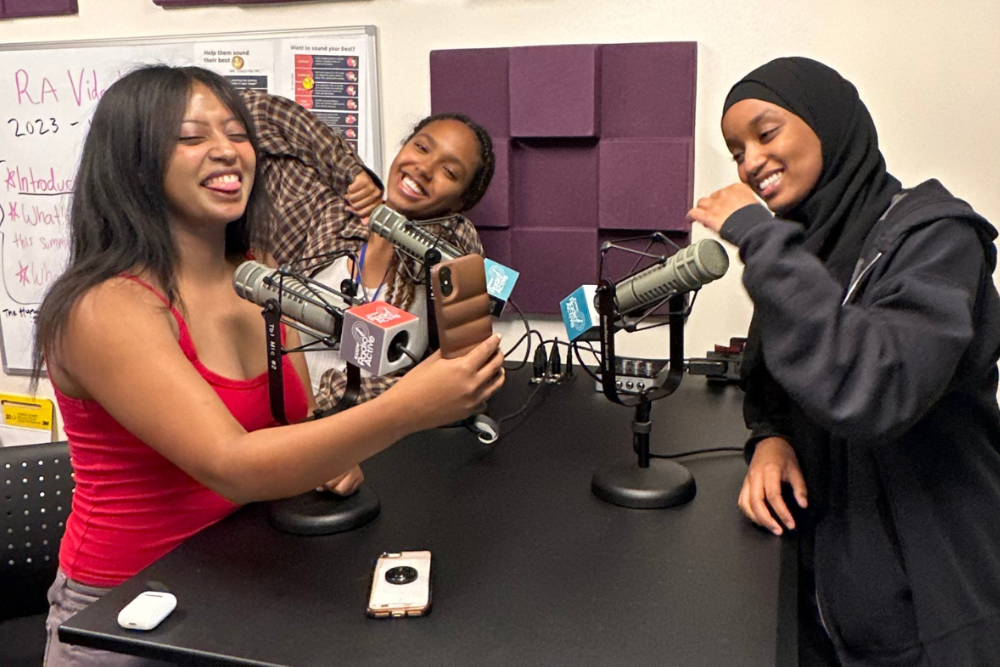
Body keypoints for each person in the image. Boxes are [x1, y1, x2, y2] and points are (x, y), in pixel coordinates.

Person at [34, 65, 504, 667]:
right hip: (127, 615)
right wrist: (407, 409)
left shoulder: (257, 272)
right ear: (134, 158)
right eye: (192, 136)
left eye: (236, 134)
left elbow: (289, 423)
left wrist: (324, 459)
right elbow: (231, 465)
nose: (227, 150)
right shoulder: (106, 307)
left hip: (244, 578)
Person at [688, 57, 1000, 666]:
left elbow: (871, 388)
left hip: (934, 610)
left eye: (766, 133)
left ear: (829, 123)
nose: (750, 162)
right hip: (832, 598)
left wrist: (759, 236)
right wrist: (771, 438)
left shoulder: (937, 240)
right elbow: (773, 377)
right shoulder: (807, 245)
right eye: (737, 152)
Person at [242, 88, 493, 411]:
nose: (424, 168)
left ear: (462, 201)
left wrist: (331, 400)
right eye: (421, 147)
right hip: (280, 419)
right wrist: (351, 171)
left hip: (364, 428)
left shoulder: (451, 247)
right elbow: (249, 112)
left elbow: (452, 374)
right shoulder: (333, 215)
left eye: (449, 172)